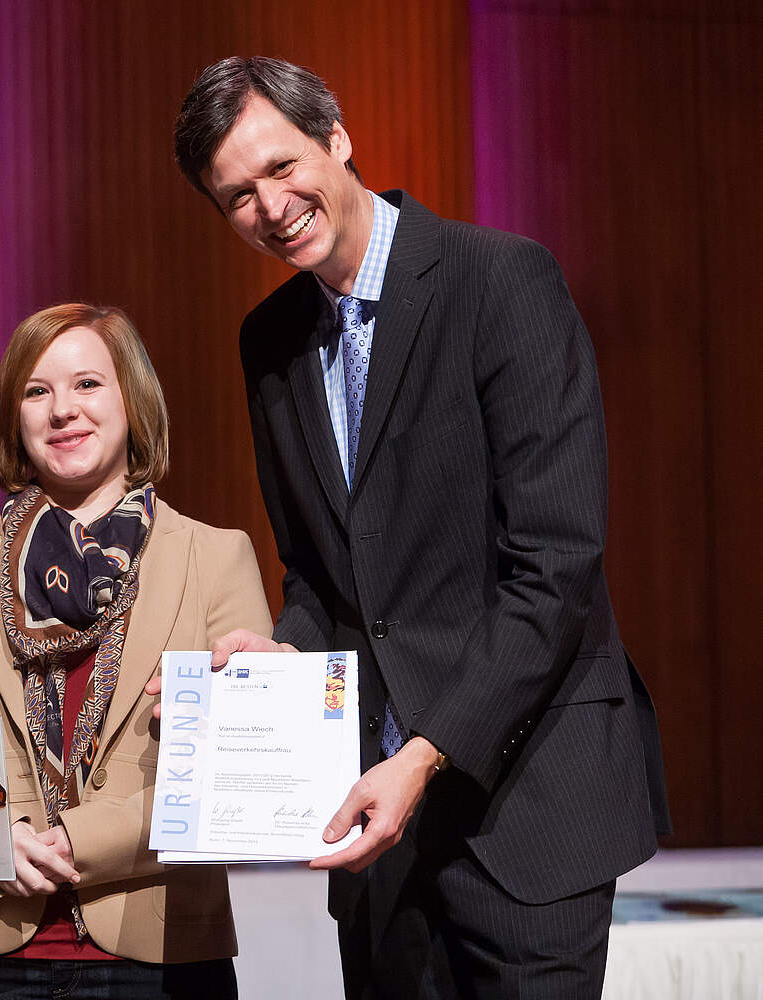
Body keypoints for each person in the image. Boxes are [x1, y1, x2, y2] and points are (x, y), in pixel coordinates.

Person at [160, 57, 671, 997]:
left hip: (529, 810)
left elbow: (555, 565)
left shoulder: (501, 278)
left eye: (281, 167)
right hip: (379, 832)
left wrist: (425, 753)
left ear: (337, 138)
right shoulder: (267, 342)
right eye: (237, 197)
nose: (271, 208)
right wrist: (286, 654)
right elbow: (319, 573)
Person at [0, 303, 270, 999]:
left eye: (88, 384)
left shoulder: (216, 557)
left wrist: (81, 839)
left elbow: (231, 776)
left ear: (133, 401)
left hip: (159, 957)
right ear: (15, 418)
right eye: (37, 391)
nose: (62, 409)